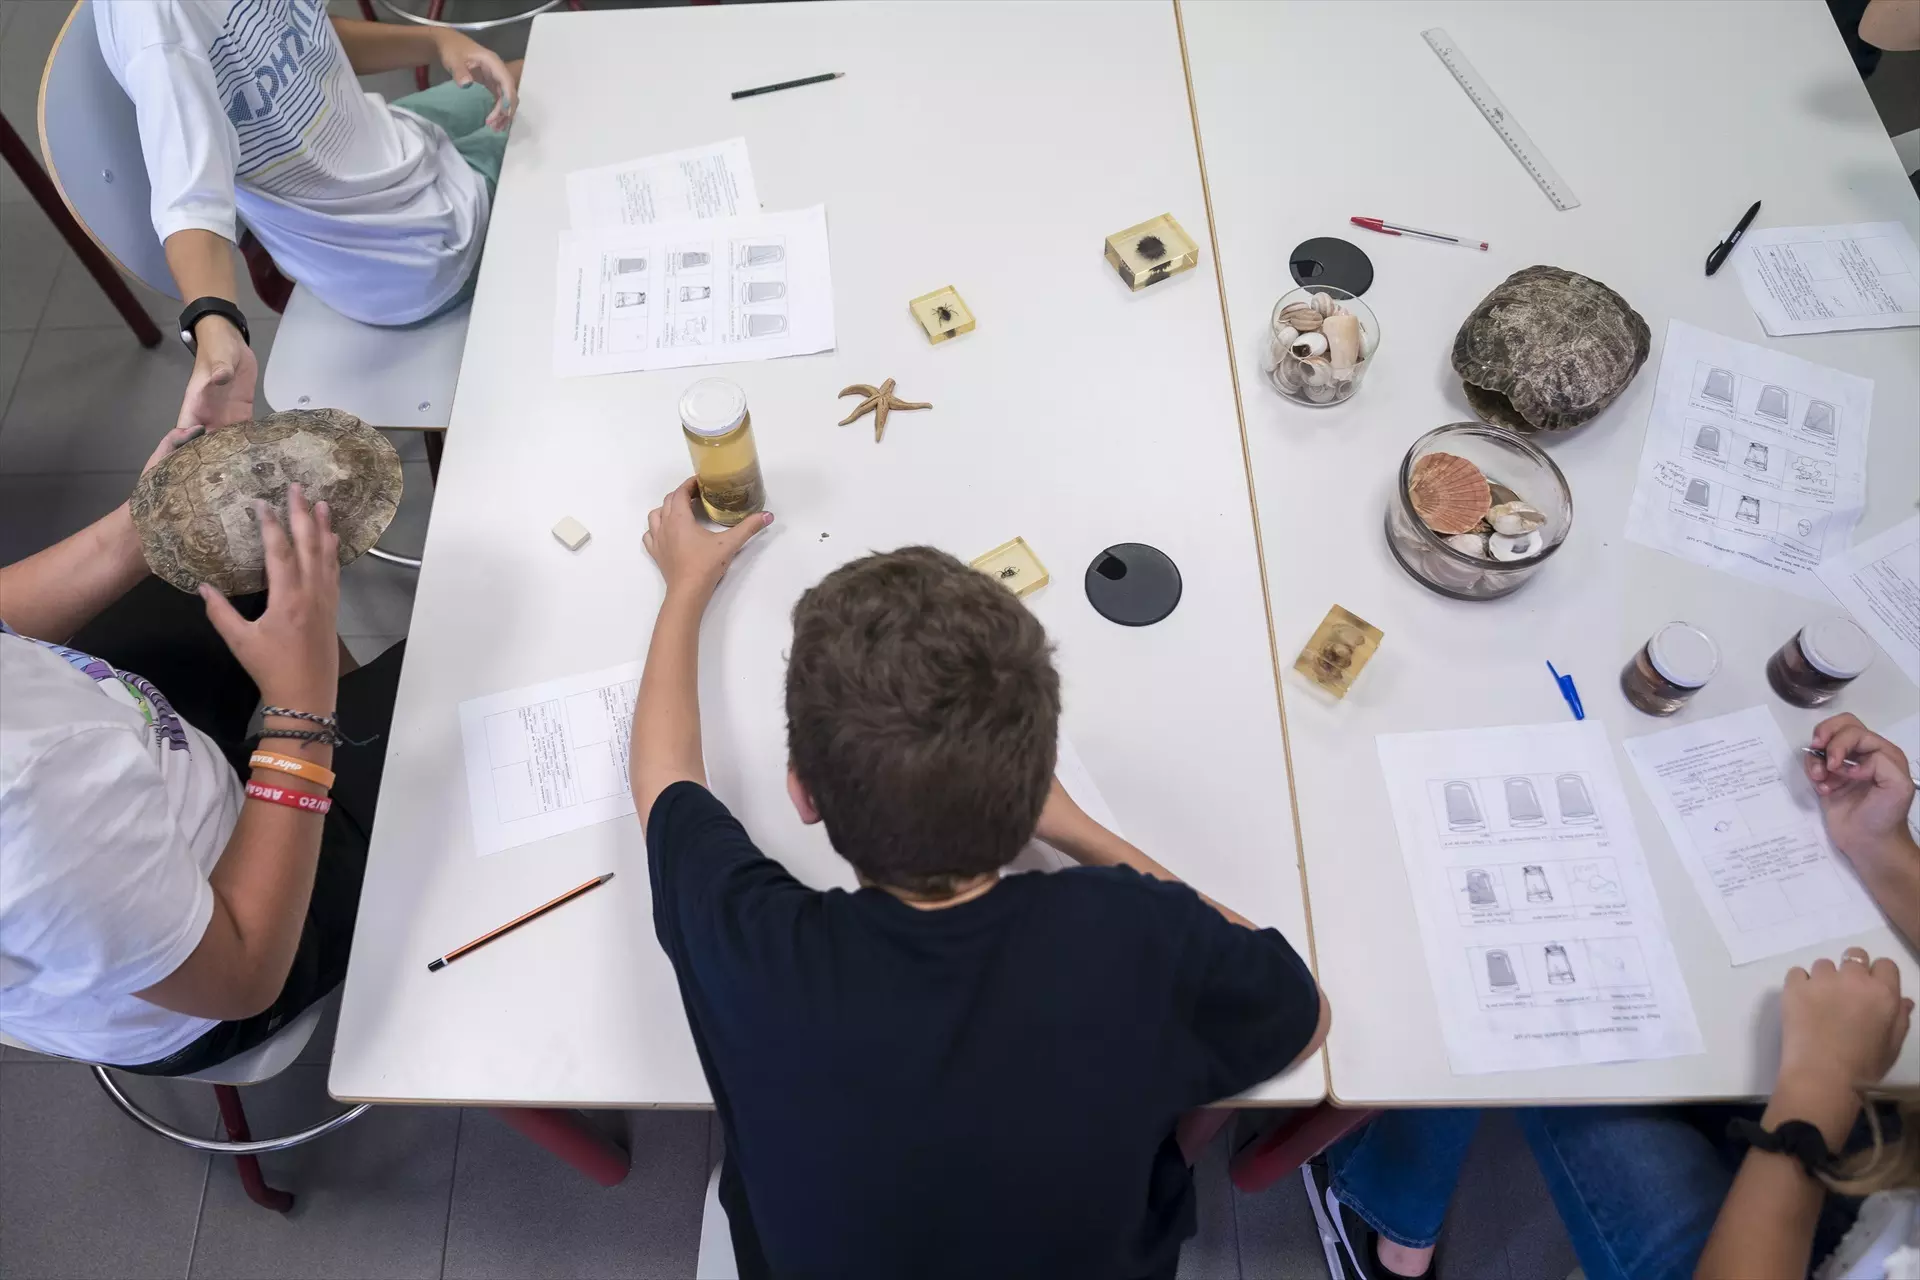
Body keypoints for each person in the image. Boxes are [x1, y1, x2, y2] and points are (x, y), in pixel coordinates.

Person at [628, 479, 1331, 1279]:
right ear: (1032, 778)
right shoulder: (1128, 935)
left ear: (803, 793)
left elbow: (662, 777)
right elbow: (1301, 1014)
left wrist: (686, 585)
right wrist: (1075, 827)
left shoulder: (751, 948)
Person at [1303, 714, 1920, 1280]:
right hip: (1879, 1159)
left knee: (1547, 998)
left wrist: (1821, 1086)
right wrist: (1886, 850)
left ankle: (1391, 1220)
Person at [0, 425, 401, 1073]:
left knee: (223, 539)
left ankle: (351, 727)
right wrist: (302, 711)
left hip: (131, 767)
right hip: (225, 959)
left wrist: (137, 529)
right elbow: (242, 973)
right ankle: (355, 746)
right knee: (463, 687)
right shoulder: (27, 809)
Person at [94, 0, 521, 433]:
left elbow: (306, 37)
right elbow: (189, 196)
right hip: (409, 244)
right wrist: (213, 325)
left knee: (532, 71)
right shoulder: (157, 27)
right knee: (563, 108)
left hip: (398, 143)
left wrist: (435, 40)